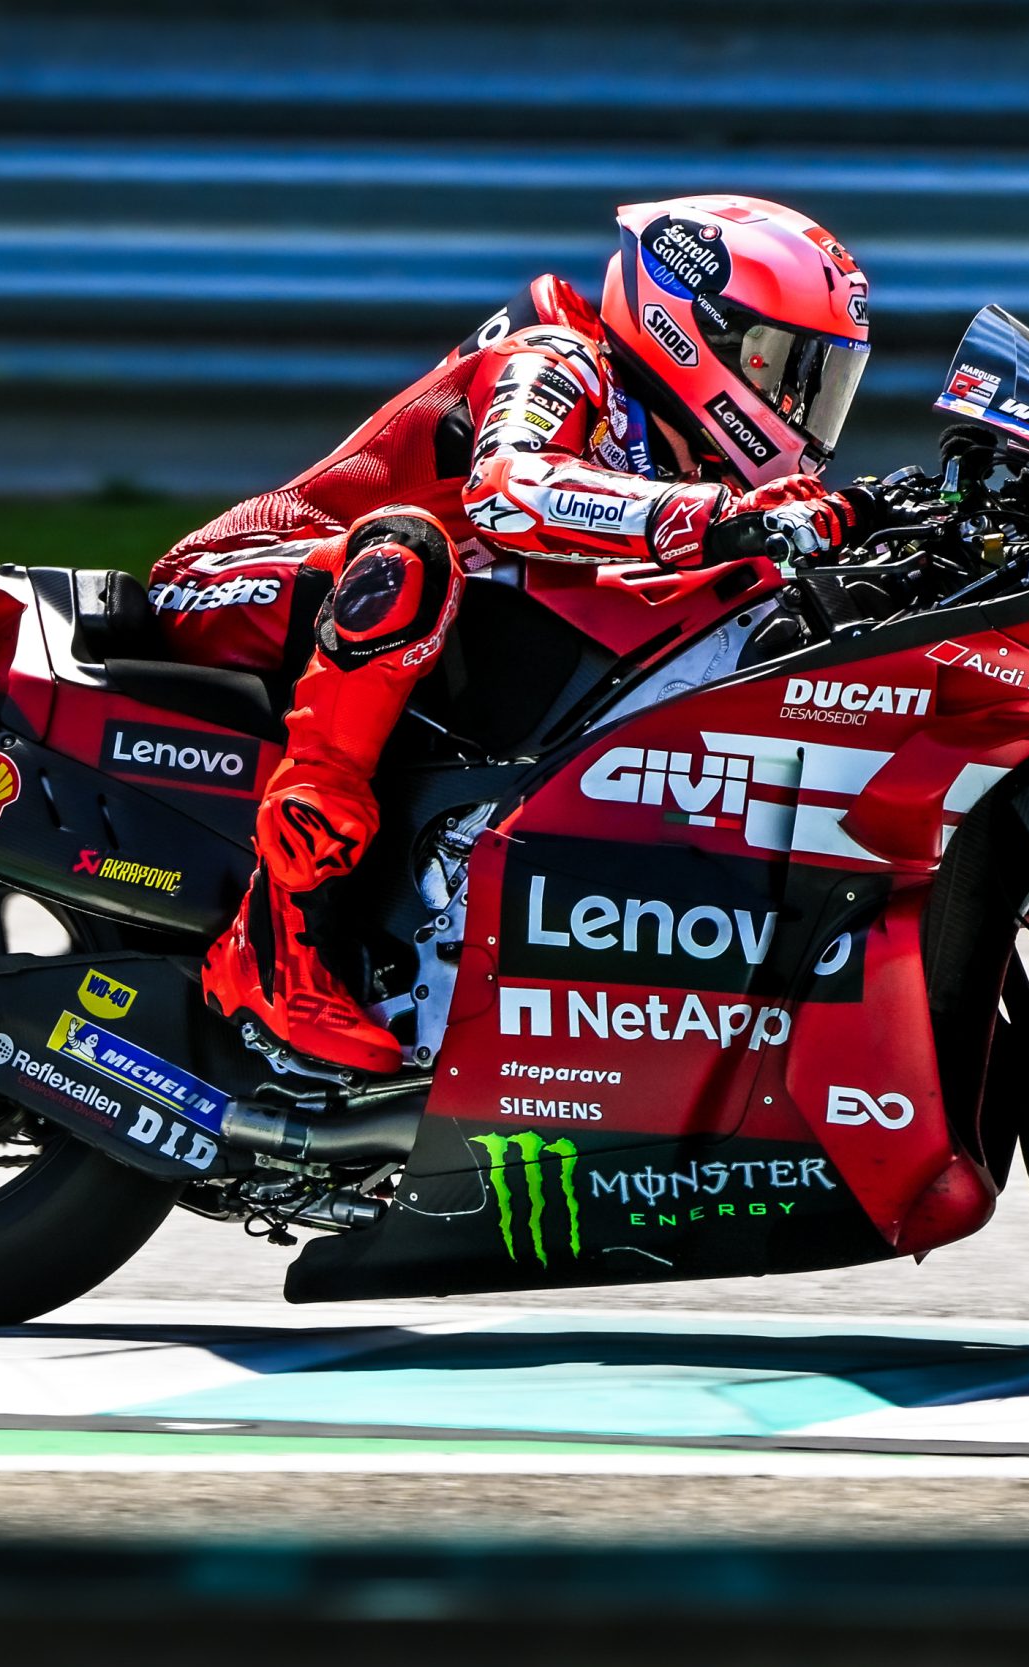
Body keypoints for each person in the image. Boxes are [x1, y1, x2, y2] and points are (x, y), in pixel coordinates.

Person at [146, 195, 883, 1077]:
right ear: (695, 332)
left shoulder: (673, 441)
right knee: (409, 557)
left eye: (820, 379)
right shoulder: (559, 359)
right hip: (232, 583)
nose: (795, 401)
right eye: (778, 365)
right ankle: (276, 941)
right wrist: (721, 517)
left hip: (390, 624)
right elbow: (509, 490)